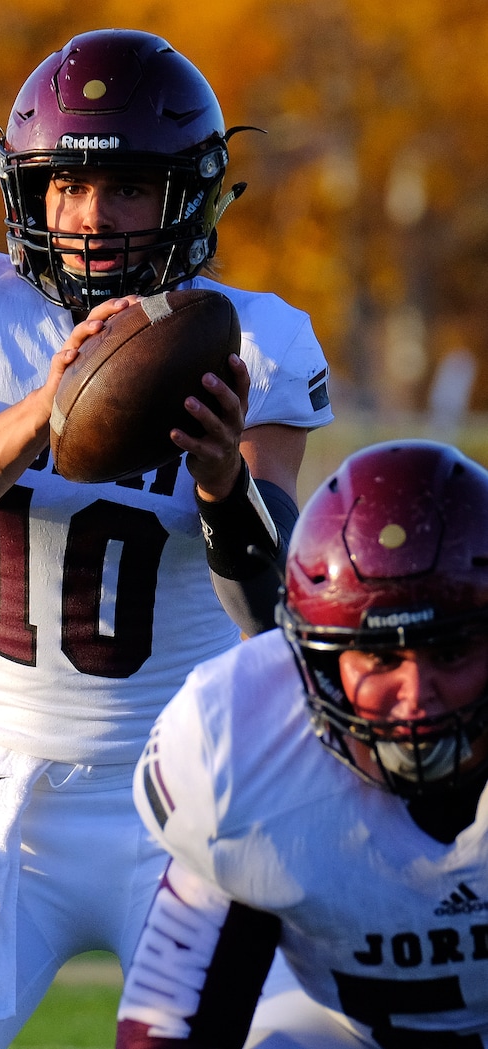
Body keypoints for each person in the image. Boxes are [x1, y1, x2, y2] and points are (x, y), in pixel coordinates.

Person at [0, 28, 332, 1049]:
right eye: (65, 187)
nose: (88, 217)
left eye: (123, 187)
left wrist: (218, 480)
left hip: (186, 790)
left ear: (183, 198)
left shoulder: (247, 340)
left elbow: (274, 608)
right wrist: (46, 406)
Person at [116, 437, 488, 1049]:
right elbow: (168, 1026)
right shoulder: (241, 751)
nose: (416, 693)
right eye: (378, 655)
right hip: (349, 1029)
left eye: (448, 652)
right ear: (318, 666)